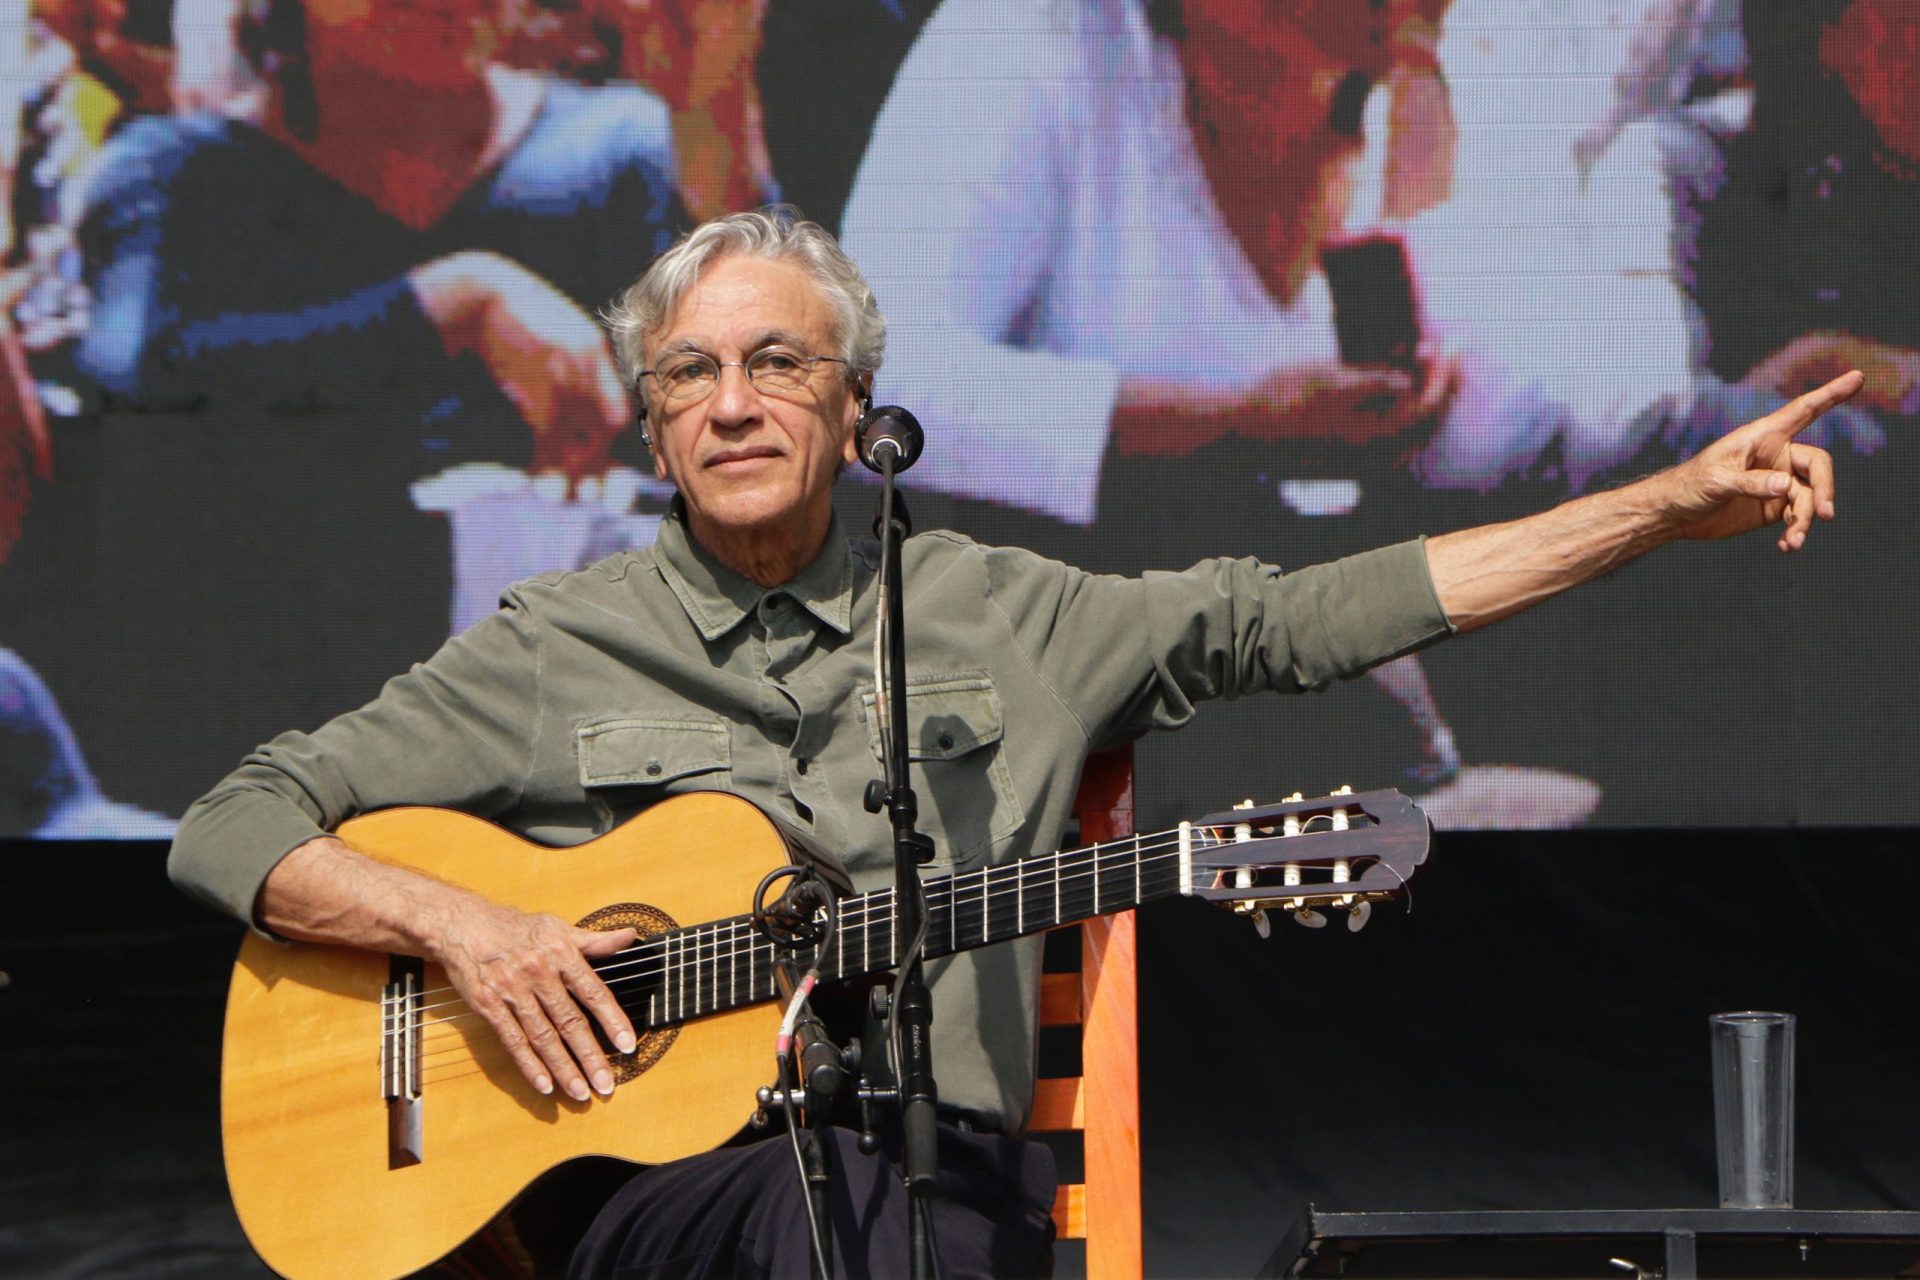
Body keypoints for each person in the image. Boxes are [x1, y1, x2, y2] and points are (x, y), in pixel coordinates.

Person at [168, 208, 1855, 1277]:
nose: (733, 403)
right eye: (689, 375)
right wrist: (473, 926)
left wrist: (1646, 513)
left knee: (887, 1219)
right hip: (661, 1204)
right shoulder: (555, 641)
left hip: (924, 1177)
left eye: (775, 362)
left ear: (856, 403)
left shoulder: (1003, 612)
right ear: (653, 423)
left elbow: (1310, 615)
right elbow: (234, 824)